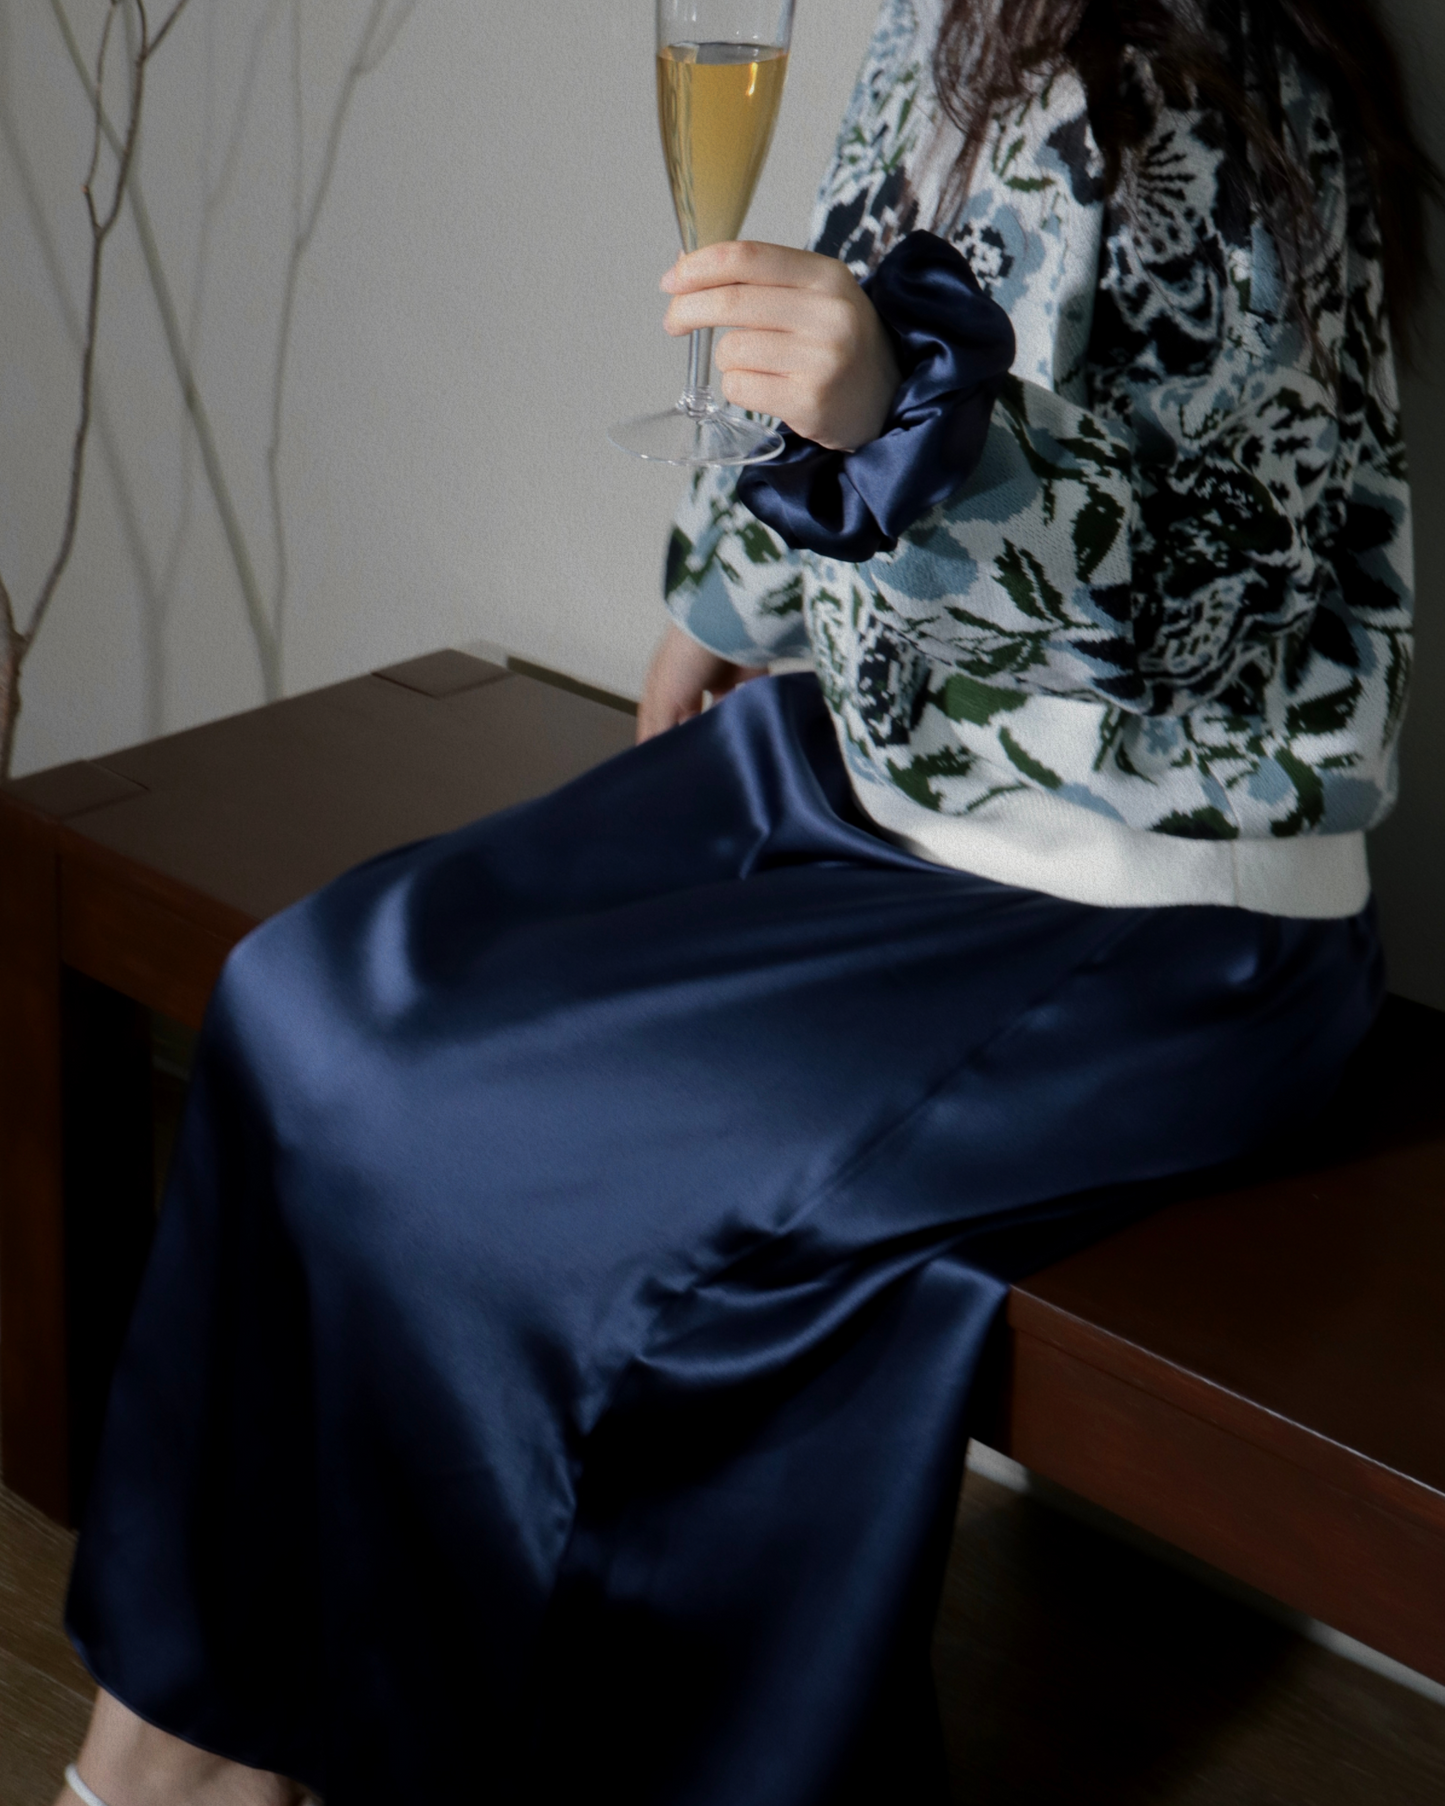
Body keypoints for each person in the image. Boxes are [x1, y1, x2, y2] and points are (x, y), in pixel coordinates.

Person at [56, 2, 1436, 1803]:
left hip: (1144, 917)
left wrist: (919, 424)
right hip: (865, 788)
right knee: (307, 1000)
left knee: (491, 1161)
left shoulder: (1209, 74)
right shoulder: (954, 22)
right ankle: (192, 1742)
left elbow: (1226, 597)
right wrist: (727, 595)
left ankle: (186, 1772)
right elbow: (835, 345)